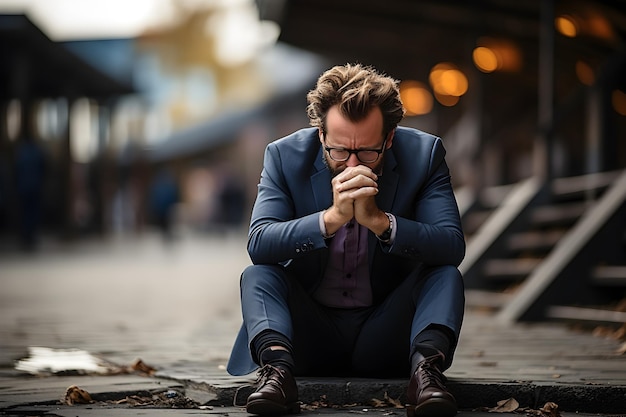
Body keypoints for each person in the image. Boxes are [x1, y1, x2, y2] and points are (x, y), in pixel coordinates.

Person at [227, 63, 465, 417]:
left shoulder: (425, 155)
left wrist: (382, 223)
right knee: (258, 275)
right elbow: (260, 242)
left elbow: (451, 245)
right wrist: (331, 218)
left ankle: (426, 374)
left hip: (388, 334)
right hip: (308, 336)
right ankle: (276, 374)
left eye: (368, 152)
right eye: (339, 151)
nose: (353, 164)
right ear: (321, 135)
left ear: (389, 137)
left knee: (445, 274)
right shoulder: (283, 156)